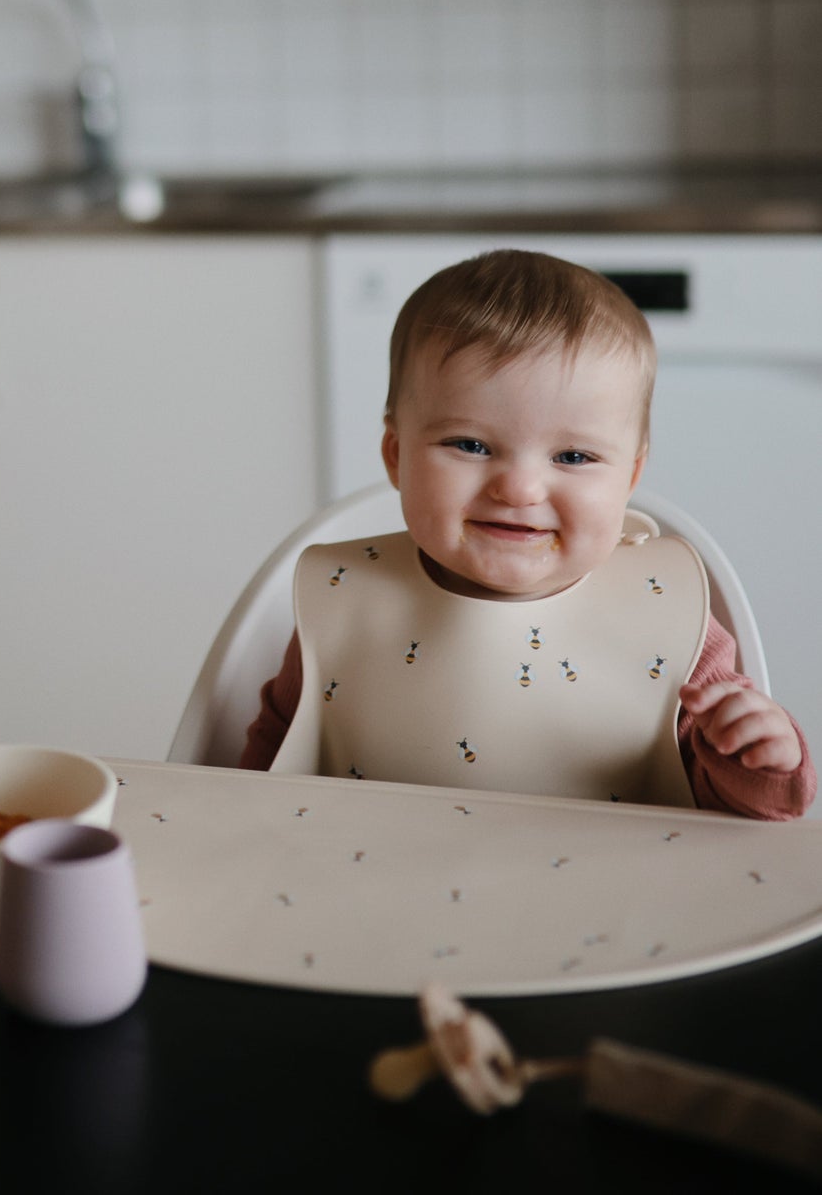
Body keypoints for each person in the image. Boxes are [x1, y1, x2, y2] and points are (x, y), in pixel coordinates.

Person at [241, 248, 815, 819]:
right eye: (470, 445)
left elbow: (744, 820)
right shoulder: (344, 599)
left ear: (630, 477)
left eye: (572, 455)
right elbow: (268, 772)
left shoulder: (668, 616)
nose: (519, 489)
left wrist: (757, 757)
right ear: (397, 455)